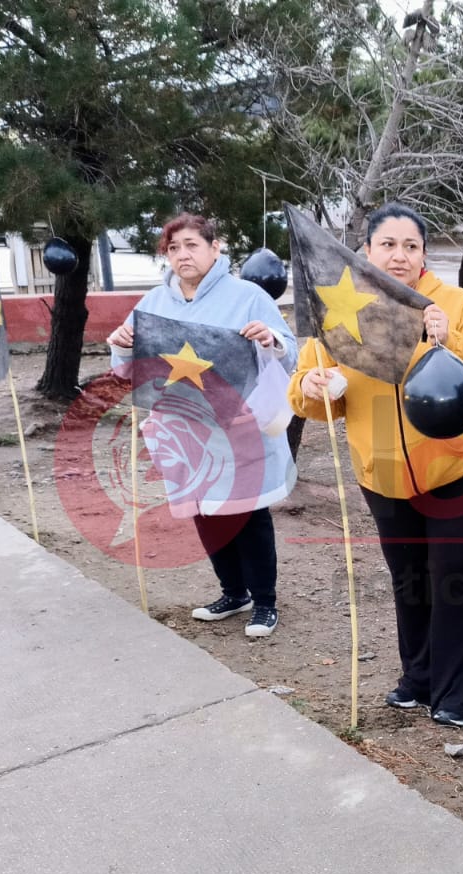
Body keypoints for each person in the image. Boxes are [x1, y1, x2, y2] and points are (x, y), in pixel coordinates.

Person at [289, 203, 463, 728]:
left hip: (458, 469)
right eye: (388, 244)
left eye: (411, 246)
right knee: (408, 577)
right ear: (367, 251)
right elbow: (310, 399)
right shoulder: (341, 308)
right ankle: (419, 677)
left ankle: (458, 694)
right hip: (381, 473)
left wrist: (446, 338)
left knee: (453, 577)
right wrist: (313, 388)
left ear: (424, 253)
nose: (400, 255)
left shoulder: (454, 304)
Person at [108, 213, 299, 639]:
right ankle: (233, 592)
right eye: (173, 248)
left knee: (248, 513)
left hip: (240, 426)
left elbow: (293, 354)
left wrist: (270, 340)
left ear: (216, 248)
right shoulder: (153, 304)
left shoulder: (248, 296)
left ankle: (264, 602)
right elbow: (129, 372)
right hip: (185, 431)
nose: (182, 255)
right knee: (204, 511)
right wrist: (121, 348)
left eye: (192, 244)